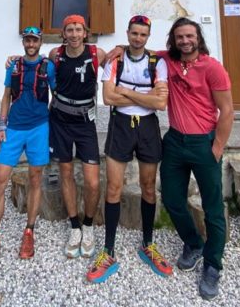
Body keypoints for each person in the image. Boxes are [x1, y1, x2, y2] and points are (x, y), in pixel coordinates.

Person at [86, 15, 172, 284]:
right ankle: (108, 251)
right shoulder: (116, 60)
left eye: (143, 34)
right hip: (120, 125)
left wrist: (127, 92)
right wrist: (145, 96)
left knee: (148, 187)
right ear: (127, 33)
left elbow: (160, 104)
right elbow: (108, 98)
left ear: (148, 36)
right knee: (113, 187)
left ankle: (148, 244)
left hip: (148, 128)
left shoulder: (157, 63)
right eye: (134, 33)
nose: (138, 38)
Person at [159, 17, 234, 300]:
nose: (185, 41)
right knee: (172, 199)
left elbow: (227, 110)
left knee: (213, 208)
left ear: (198, 37)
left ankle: (213, 265)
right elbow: (137, 49)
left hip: (204, 144)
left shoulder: (212, 68)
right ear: (174, 39)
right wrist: (118, 50)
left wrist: (217, 147)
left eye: (189, 36)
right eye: (180, 37)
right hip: (175, 142)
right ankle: (193, 243)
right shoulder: (168, 60)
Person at [0, 26, 56, 265]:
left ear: (40, 42)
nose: (31, 44)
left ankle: (29, 231)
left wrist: (49, 122)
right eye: (27, 40)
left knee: (35, 178)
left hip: (39, 128)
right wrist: (1, 126)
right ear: (23, 42)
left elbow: (56, 94)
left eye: (34, 40)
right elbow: (6, 95)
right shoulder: (14, 66)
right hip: (14, 129)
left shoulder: (48, 66)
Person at [48, 15, 106, 259]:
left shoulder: (96, 54)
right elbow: (38, 68)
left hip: (85, 123)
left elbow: (119, 61)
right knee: (66, 173)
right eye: (69, 30)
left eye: (78, 30)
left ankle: (88, 226)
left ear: (85, 32)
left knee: (92, 182)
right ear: (63, 33)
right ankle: (74, 227)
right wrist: (13, 60)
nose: (73, 34)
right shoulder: (55, 54)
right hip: (60, 120)